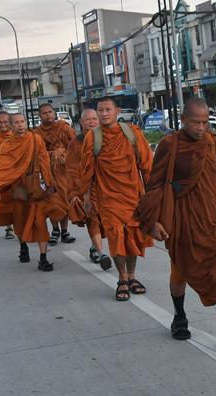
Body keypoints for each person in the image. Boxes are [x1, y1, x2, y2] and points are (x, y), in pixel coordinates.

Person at [137, 98, 216, 348]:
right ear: (183, 120)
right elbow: (155, 183)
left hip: (212, 219)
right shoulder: (171, 144)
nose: (201, 128)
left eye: (204, 122)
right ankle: (179, 317)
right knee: (180, 270)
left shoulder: (213, 144)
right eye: (195, 122)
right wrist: (153, 221)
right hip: (182, 218)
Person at [76, 97, 154, 301]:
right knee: (116, 237)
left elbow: (146, 166)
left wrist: (152, 195)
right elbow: (86, 171)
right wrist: (86, 198)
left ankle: (132, 276)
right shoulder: (93, 138)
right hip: (108, 199)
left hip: (133, 196)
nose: (103, 114)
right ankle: (121, 278)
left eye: (107, 109)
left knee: (132, 239)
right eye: (100, 110)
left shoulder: (132, 134)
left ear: (117, 111)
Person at [0, 113, 59, 272]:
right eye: (16, 123)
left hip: (35, 186)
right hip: (17, 188)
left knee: (40, 221)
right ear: (12, 126)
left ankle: (43, 258)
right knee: (19, 220)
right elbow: (0, 166)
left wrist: (48, 180)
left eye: (22, 121)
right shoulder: (8, 144)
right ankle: (23, 246)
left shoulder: (35, 139)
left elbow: (44, 158)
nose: (20, 125)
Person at [65, 108, 111, 270]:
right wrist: (74, 192)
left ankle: (94, 247)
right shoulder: (75, 143)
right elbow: (71, 170)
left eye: (94, 119)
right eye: (88, 120)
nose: (92, 122)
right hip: (86, 188)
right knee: (92, 217)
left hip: (106, 187)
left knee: (106, 220)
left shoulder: (108, 138)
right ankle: (101, 252)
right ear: (81, 123)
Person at [33, 103, 75, 246]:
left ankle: (64, 231)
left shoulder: (64, 128)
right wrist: (52, 153)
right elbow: (36, 153)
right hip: (47, 171)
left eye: (50, 112)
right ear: (40, 116)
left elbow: (74, 147)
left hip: (64, 171)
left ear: (55, 113)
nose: (48, 115)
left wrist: (62, 151)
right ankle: (55, 229)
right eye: (44, 113)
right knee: (51, 200)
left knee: (64, 199)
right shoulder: (36, 133)